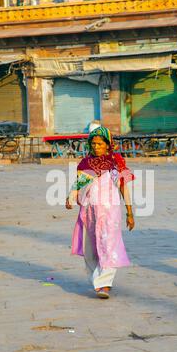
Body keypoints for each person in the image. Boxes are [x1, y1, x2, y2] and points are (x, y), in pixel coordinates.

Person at [66, 126, 135, 299]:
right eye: (93, 144)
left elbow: (122, 186)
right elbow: (78, 184)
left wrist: (129, 211)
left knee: (109, 244)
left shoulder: (116, 162)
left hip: (110, 210)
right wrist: (71, 198)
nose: (96, 147)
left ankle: (105, 284)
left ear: (107, 144)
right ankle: (97, 279)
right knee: (90, 248)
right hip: (89, 210)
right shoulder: (85, 163)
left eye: (99, 144)